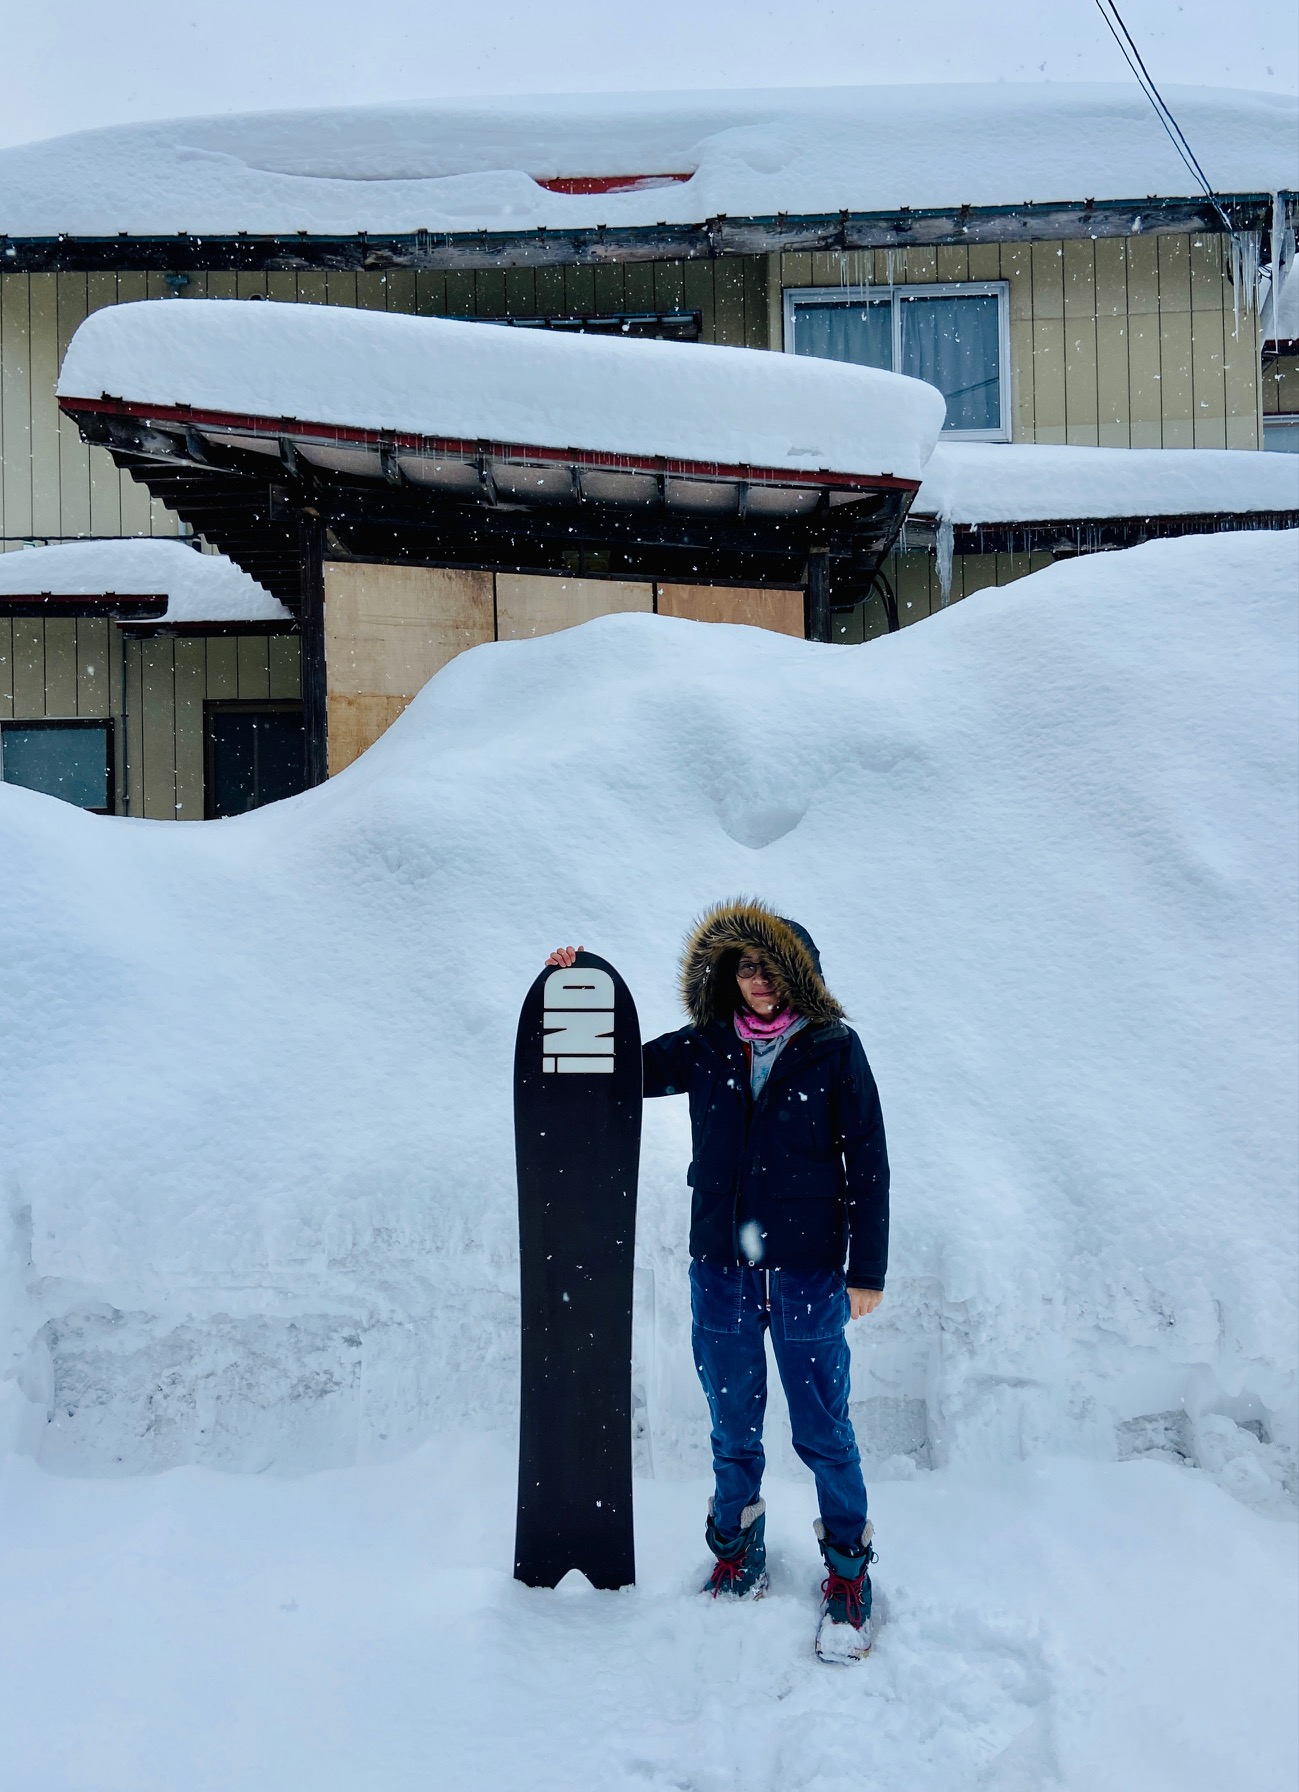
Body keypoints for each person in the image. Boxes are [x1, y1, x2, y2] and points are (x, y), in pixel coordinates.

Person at [546, 897, 889, 1663]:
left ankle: (846, 1571)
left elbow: (866, 1163)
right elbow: (621, 1067)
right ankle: (737, 1550)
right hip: (722, 1273)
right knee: (733, 1428)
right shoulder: (705, 1043)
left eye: (771, 968)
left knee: (823, 1432)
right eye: (745, 967)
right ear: (727, 975)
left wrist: (865, 1270)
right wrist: (576, 993)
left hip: (805, 1273)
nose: (758, 981)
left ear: (798, 974)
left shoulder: (833, 1049)